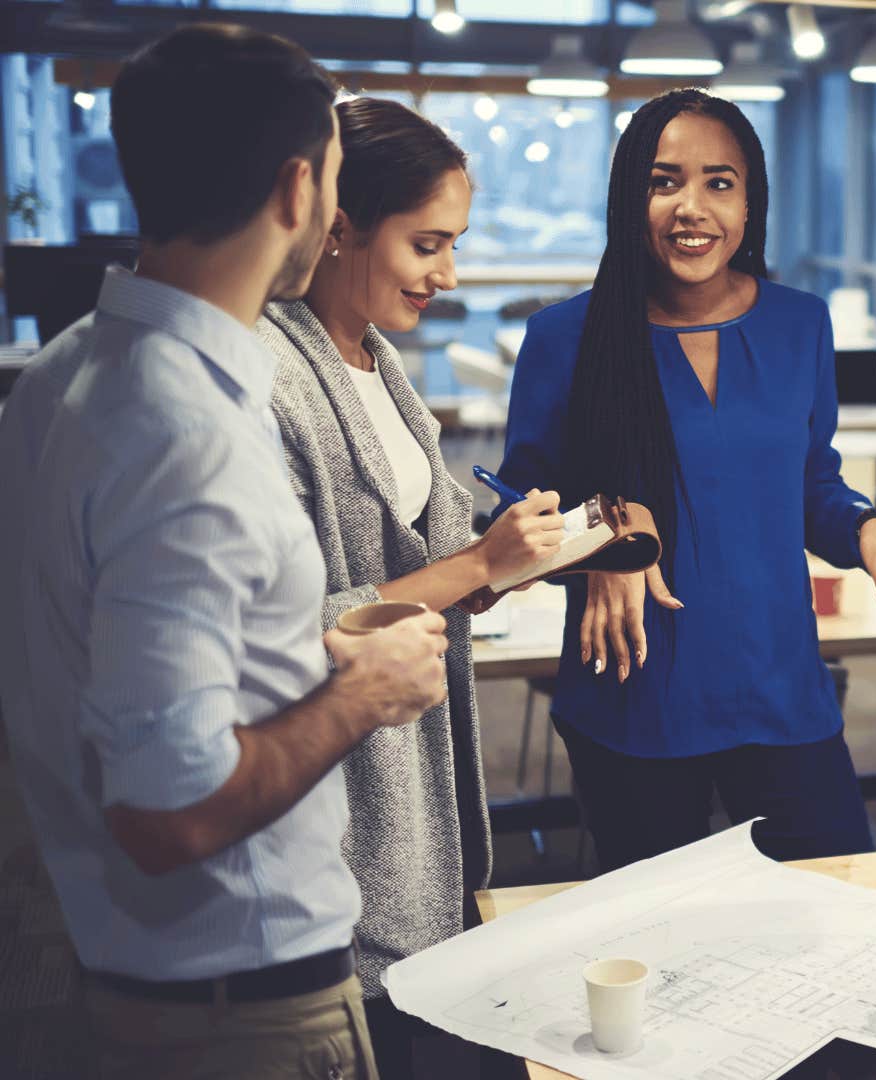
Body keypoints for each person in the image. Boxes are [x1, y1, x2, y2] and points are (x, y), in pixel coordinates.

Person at [0, 25, 450, 1079]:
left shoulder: (63, 374)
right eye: (336, 185)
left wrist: (305, 663)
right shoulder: (185, 435)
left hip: (121, 966)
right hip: (239, 1011)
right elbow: (168, 808)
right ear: (299, 190)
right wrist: (362, 697)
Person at [494, 88, 876, 870]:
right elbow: (516, 519)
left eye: (720, 182)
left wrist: (866, 524)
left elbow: (812, 481)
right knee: (662, 949)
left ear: (751, 203)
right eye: (663, 181)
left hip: (781, 689)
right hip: (635, 701)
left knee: (836, 906)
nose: (693, 208)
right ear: (629, 197)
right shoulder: (563, 339)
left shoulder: (799, 325)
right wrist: (606, 534)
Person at [255, 95, 565, 1075]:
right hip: (339, 827)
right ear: (340, 225)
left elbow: (408, 576)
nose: (450, 274)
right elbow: (284, 628)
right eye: (427, 244)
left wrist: (495, 566)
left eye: (457, 244)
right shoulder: (266, 377)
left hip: (422, 817)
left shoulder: (379, 363)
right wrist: (472, 565)